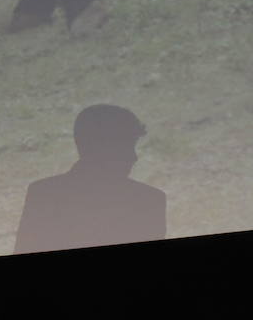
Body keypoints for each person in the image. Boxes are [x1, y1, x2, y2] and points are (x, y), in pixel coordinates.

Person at [13, 104, 167, 254]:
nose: (133, 157)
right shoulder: (149, 200)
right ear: (102, 149)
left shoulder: (44, 194)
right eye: (125, 147)